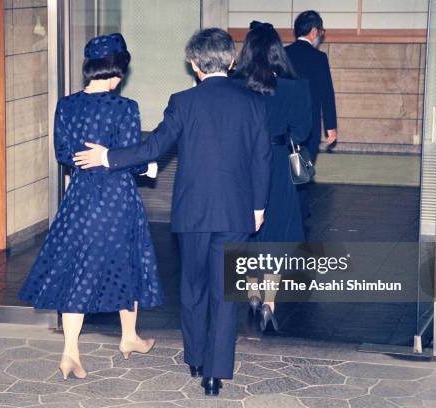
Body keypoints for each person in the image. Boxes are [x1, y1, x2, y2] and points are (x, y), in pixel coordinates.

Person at [73, 28, 272, 396]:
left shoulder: (183, 102)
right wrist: (258, 207)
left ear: (194, 64)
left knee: (193, 286)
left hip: (192, 213)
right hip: (236, 212)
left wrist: (108, 156)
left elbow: (155, 147)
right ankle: (214, 374)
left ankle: (195, 357)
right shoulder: (254, 102)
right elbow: (263, 159)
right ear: (231, 61)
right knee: (227, 293)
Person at [17, 33, 163, 381]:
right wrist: (147, 166)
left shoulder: (66, 105)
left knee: (78, 270)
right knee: (128, 264)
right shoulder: (125, 108)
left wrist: (90, 158)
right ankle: (128, 336)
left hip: (81, 198)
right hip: (118, 199)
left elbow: (63, 154)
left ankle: (71, 352)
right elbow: (130, 157)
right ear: (117, 72)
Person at [232, 21, 312, 332]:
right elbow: (303, 133)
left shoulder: (235, 86)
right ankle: (269, 301)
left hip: (243, 165)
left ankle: (251, 292)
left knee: (249, 229)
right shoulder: (294, 87)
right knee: (276, 231)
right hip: (278, 163)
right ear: (277, 51)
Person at [285, 10, 337, 220]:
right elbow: (327, 93)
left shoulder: (283, 53)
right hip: (309, 125)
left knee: (285, 168)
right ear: (314, 31)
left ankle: (289, 208)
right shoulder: (319, 57)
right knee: (303, 169)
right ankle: (299, 210)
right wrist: (331, 126)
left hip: (284, 125)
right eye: (321, 32)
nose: (321, 36)